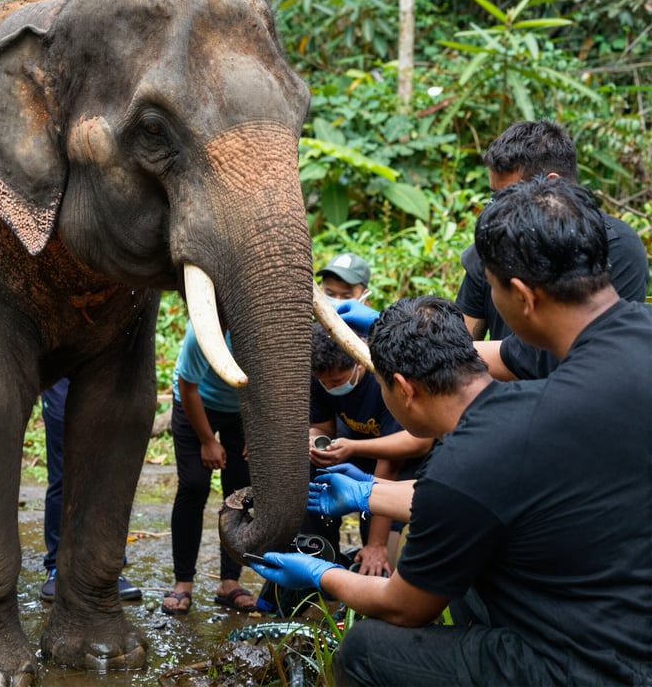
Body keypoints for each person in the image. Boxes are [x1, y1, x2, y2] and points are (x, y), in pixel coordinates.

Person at [251, 178, 652, 686]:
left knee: (367, 650)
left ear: (522, 297)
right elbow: (487, 372)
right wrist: (372, 491)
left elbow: (405, 606)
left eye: (490, 286)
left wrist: (318, 574)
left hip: (591, 667)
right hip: (623, 598)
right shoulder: (624, 339)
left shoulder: (503, 439)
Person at [456, 119, 648, 378]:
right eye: (494, 196)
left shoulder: (614, 246)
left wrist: (454, 359)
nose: (496, 208)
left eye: (507, 196)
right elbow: (460, 337)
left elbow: (589, 357)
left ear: (553, 186)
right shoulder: (493, 244)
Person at [308, 322, 431, 576]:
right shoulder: (320, 378)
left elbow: (395, 458)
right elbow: (322, 428)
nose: (331, 387)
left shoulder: (383, 381)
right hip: (358, 452)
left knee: (385, 557)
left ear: (360, 362)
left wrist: (376, 545)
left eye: (338, 381)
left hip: (407, 461)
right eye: (324, 383)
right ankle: (321, 561)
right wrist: (315, 440)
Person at [162, 320, 256, 615]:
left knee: (240, 491)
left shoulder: (263, 326)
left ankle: (229, 582)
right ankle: (183, 582)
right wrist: (207, 441)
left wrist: (256, 431)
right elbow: (187, 387)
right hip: (196, 401)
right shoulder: (201, 330)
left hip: (243, 409)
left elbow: (274, 380)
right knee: (194, 485)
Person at [39, 377, 143, 602]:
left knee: (108, 475)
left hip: (103, 368)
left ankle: (107, 570)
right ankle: (56, 566)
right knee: (62, 475)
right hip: (59, 373)